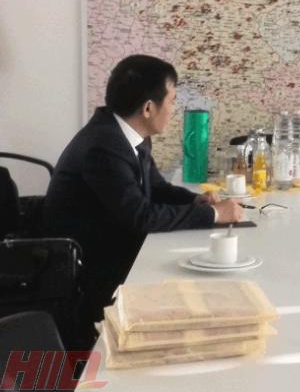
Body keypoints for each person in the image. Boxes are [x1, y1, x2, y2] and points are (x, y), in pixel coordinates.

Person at [44, 55, 243, 347]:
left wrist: (196, 201)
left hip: (113, 244)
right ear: (148, 108)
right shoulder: (103, 146)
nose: (174, 110)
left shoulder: (127, 133)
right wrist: (214, 215)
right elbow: (141, 216)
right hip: (90, 267)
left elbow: (156, 188)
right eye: (172, 101)